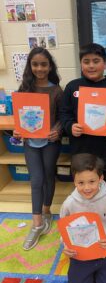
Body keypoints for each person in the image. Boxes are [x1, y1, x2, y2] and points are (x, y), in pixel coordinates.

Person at [59, 43, 106, 192]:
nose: (91, 66)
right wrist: (70, 126)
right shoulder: (72, 87)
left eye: (96, 61)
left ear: (105, 64)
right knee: (83, 184)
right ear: (81, 64)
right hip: (82, 148)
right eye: (86, 62)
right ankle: (87, 213)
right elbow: (64, 113)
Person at [13, 47, 63, 250]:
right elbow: (20, 117)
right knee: (36, 180)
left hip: (50, 142)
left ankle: (47, 211)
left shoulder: (57, 90)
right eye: (35, 64)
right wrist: (17, 130)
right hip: (30, 142)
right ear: (30, 66)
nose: (40, 68)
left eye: (44, 64)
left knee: (49, 176)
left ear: (50, 66)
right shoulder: (24, 89)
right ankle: (37, 224)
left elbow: (63, 117)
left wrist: (58, 130)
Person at [60, 153, 106, 283]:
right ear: (74, 181)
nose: (87, 188)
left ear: (101, 179)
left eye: (92, 181)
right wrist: (66, 245)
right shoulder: (69, 204)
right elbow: (64, 230)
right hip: (81, 255)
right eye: (81, 183)